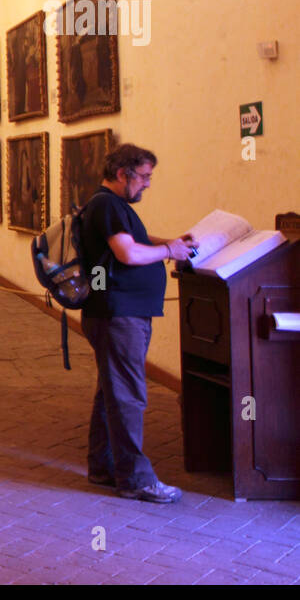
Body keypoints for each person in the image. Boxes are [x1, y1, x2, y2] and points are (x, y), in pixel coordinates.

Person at [79, 144, 197, 503]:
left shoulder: (111, 206)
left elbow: (136, 242)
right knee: (129, 395)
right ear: (122, 174)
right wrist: (169, 252)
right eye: (143, 177)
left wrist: (171, 243)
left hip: (117, 312)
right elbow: (128, 253)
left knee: (112, 392)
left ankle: (103, 465)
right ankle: (135, 479)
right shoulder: (107, 205)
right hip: (118, 315)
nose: (147, 184)